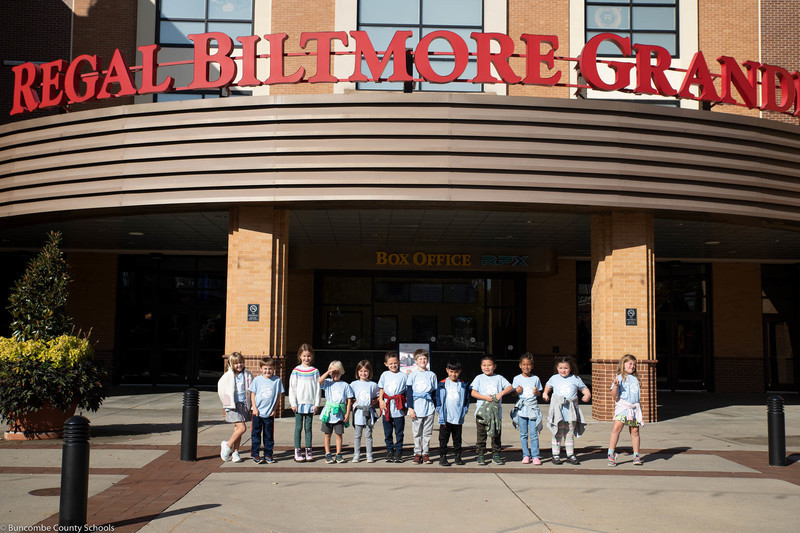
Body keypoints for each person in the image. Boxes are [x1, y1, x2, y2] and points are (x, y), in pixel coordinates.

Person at [543, 356, 591, 465]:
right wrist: (545, 393)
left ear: (570, 368)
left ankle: (570, 455)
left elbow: (584, 389)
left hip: (570, 411)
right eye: (560, 368)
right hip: (558, 410)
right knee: (557, 433)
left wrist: (587, 395)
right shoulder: (554, 378)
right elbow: (547, 386)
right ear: (557, 368)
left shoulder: (575, 378)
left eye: (566, 368)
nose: (563, 370)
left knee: (569, 434)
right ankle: (555, 455)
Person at [470, 355, 513, 465]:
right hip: (481, 414)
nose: (487, 367)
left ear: (494, 366)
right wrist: (485, 398)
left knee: (496, 434)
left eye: (489, 365)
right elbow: (473, 392)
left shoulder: (499, 378)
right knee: (481, 435)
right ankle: (480, 454)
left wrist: (500, 394)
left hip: (495, 414)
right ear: (481, 367)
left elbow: (510, 387)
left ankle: (496, 454)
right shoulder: (479, 378)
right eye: (484, 365)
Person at [607, 354, 644, 466]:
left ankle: (636, 455)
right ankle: (611, 454)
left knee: (635, 431)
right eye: (629, 363)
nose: (632, 366)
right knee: (616, 428)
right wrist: (616, 386)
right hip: (623, 406)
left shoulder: (636, 378)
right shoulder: (618, 378)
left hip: (634, 408)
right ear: (623, 365)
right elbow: (614, 395)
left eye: (634, 364)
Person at [217, 352, 253, 463]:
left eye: (241, 362)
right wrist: (227, 405)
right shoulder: (227, 376)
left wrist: (251, 405)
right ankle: (227, 445)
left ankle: (236, 452)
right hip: (233, 406)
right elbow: (222, 392)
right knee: (242, 428)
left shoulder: (248, 374)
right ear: (231, 364)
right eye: (236, 363)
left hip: (244, 405)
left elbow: (251, 390)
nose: (239, 365)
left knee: (238, 430)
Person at [288, 343, 322, 462]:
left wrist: (317, 403)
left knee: (308, 428)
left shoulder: (315, 371)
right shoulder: (296, 371)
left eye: (308, 356)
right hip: (299, 404)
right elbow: (292, 388)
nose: (306, 358)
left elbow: (318, 389)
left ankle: (308, 450)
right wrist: (293, 403)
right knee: (298, 428)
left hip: (310, 404)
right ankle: (297, 450)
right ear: (300, 356)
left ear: (311, 356)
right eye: (304, 356)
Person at [249, 357, 284, 464]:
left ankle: (268, 454)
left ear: (274, 368)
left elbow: (278, 396)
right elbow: (253, 394)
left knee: (268, 435)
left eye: (270, 368)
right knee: (256, 434)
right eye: (265, 368)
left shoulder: (277, 380)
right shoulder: (257, 380)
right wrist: (254, 408)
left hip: (269, 413)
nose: (267, 371)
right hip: (257, 413)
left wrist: (274, 409)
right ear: (261, 369)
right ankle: (255, 454)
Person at [318, 360, 354, 464]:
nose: (335, 374)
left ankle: (338, 454)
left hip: (340, 413)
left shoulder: (345, 385)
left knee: (339, 434)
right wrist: (328, 371)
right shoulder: (328, 382)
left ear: (341, 371)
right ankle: (327, 453)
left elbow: (349, 400)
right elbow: (319, 381)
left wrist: (347, 413)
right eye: (333, 372)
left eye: (337, 372)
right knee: (327, 434)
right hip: (328, 413)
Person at [436, 359, 470, 466]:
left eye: (456, 372)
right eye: (451, 371)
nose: (453, 374)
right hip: (445, 418)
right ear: (447, 370)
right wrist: (439, 409)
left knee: (457, 439)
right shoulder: (442, 384)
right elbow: (437, 397)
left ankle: (458, 457)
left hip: (457, 418)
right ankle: (443, 457)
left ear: (460, 372)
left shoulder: (463, 385)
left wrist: (464, 410)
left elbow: (466, 399)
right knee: (443, 439)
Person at [406, 348, 438, 464]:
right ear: (416, 360)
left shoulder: (432, 375)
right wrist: (410, 408)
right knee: (417, 432)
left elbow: (434, 393)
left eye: (425, 358)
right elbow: (409, 393)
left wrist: (436, 407)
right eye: (420, 359)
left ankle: (425, 453)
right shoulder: (412, 375)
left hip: (429, 407)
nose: (423, 360)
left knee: (427, 432)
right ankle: (417, 453)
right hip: (417, 407)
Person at [511, 353, 543, 465]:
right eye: (524, 364)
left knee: (533, 434)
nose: (526, 367)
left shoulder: (536, 378)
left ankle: (535, 456)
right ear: (520, 365)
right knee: (523, 434)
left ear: (532, 366)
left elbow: (539, 393)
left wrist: (537, 393)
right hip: (521, 409)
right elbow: (513, 394)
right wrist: (516, 392)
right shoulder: (516, 378)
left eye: (528, 365)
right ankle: (526, 455)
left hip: (532, 408)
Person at [378, 351, 408, 463]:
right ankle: (390, 451)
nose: (393, 365)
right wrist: (381, 401)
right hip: (387, 406)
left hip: (398, 407)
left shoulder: (404, 375)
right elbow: (381, 389)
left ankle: (399, 452)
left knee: (399, 432)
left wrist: (405, 407)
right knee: (388, 431)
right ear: (386, 364)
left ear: (399, 362)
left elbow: (406, 392)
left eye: (395, 363)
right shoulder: (384, 375)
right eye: (390, 364)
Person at [350, 360, 379, 463]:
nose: (363, 373)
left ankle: (369, 454)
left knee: (368, 434)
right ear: (357, 372)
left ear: (369, 372)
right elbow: (349, 396)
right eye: (361, 371)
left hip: (368, 413)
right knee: (357, 435)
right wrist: (353, 401)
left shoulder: (373, 385)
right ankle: (356, 454)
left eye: (366, 371)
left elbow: (378, 396)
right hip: (358, 413)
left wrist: (374, 401)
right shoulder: (354, 384)